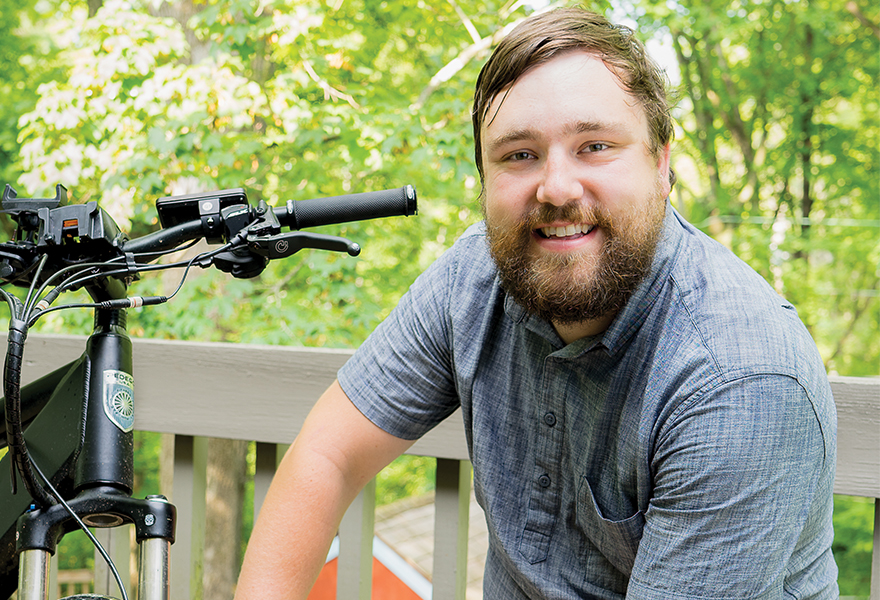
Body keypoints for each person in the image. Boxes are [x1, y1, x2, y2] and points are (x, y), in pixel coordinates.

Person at [235, 7, 838, 599]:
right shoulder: (474, 277)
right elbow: (328, 455)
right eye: (519, 155)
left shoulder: (740, 380)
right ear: (484, 180)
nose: (556, 188)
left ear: (661, 163)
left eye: (595, 145)